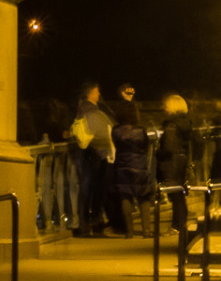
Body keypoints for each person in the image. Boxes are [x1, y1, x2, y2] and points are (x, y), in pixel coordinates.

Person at [67, 83, 115, 237]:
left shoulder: (82, 110)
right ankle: (93, 223)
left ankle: (85, 224)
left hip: (88, 154)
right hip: (95, 154)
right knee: (95, 190)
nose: (99, 94)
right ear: (90, 94)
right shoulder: (91, 110)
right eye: (97, 91)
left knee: (87, 190)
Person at [110, 110, 156, 236]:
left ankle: (129, 231)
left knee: (125, 196)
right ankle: (146, 229)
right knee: (144, 197)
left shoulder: (115, 131)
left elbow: (115, 144)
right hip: (139, 166)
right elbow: (145, 146)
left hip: (122, 166)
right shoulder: (140, 131)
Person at [157, 94, 198, 233]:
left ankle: (177, 226)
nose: (164, 108)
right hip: (182, 161)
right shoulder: (186, 123)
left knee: (175, 194)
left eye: (166, 106)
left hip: (171, 163)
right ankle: (180, 224)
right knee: (179, 194)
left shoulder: (172, 125)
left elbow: (168, 147)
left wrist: (158, 153)